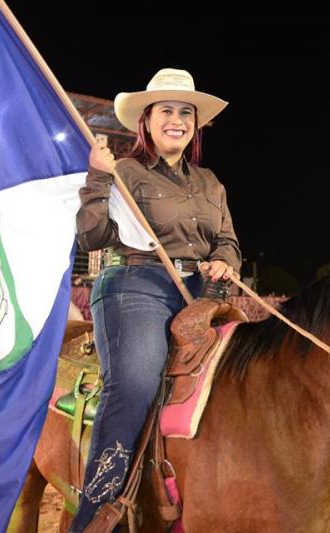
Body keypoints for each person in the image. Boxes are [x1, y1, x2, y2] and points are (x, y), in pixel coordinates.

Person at [70, 67, 241, 531]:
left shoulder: (211, 184)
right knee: (136, 386)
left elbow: (228, 241)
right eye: (166, 110)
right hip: (134, 287)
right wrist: (97, 178)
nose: (177, 119)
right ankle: (98, 512)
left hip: (200, 294)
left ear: (195, 124)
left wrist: (224, 262)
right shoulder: (123, 171)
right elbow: (92, 236)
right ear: (145, 121)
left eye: (186, 112)